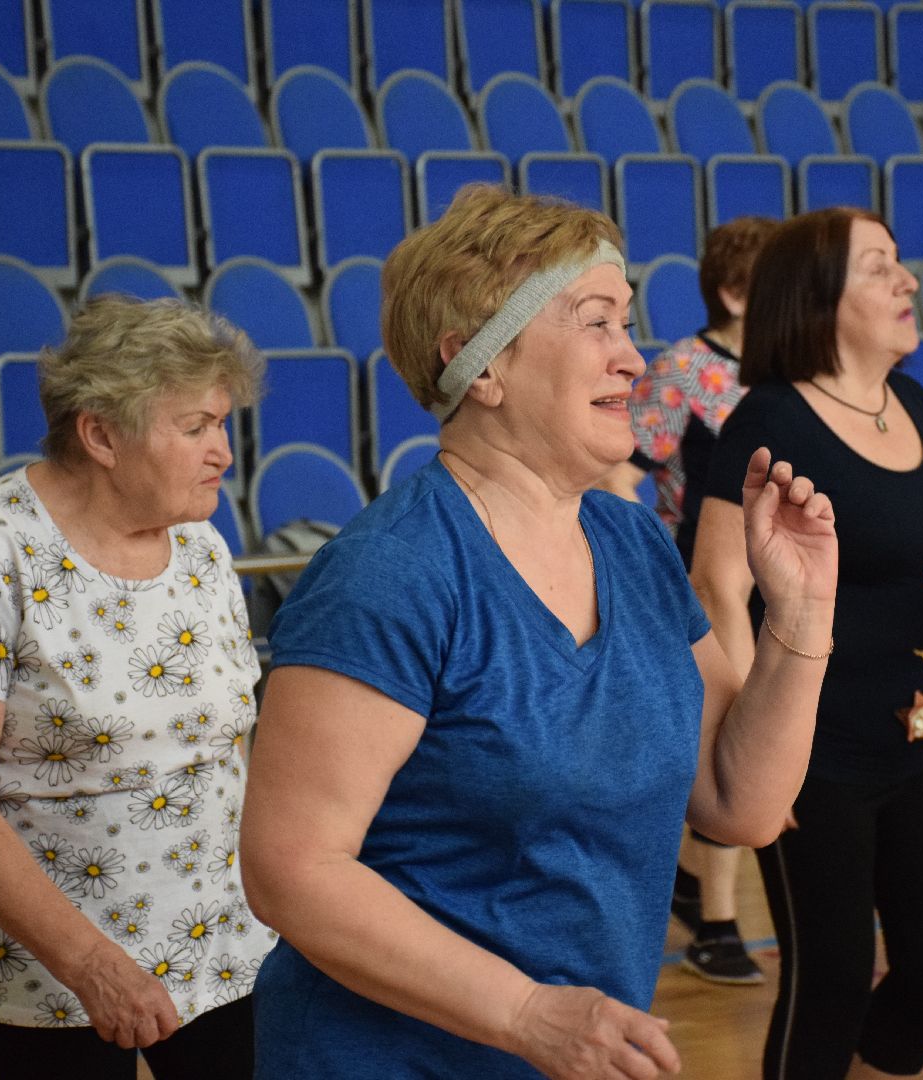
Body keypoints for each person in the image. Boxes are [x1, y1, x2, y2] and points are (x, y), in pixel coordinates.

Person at [240, 185, 839, 1079]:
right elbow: (291, 869)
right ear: (479, 368)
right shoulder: (391, 573)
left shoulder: (632, 544)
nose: (633, 360)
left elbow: (738, 802)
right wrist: (525, 1012)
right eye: (596, 323)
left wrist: (798, 620)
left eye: (627, 324)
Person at [694, 208, 923, 1080]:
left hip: (918, 741)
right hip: (810, 758)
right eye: (880, 267)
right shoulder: (768, 422)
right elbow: (716, 587)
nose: (908, 280)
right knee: (831, 981)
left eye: (901, 262)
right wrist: (748, 760)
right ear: (819, 300)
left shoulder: (914, 405)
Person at [0, 298, 274, 1079]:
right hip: (51, 976)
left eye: (222, 424)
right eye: (194, 427)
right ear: (99, 434)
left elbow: (234, 746)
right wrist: (93, 964)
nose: (223, 452)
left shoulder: (201, 546)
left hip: (224, 947)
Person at [603, 215, 780, 985]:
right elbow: (623, 465)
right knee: (721, 746)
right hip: (702, 582)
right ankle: (716, 923)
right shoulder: (682, 370)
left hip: (776, 582)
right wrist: (639, 555)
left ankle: (693, 887)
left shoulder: (787, 372)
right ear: (737, 292)